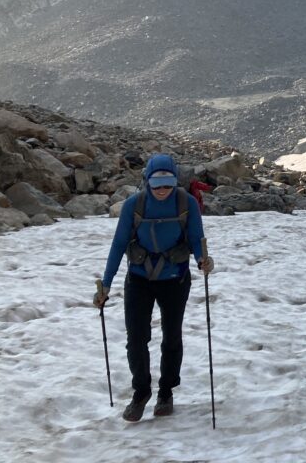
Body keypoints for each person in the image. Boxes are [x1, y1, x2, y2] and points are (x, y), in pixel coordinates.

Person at [92, 153, 214, 422]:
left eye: (168, 184)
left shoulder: (187, 203)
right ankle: (141, 392)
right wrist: (106, 284)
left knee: (172, 337)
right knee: (136, 338)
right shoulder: (134, 205)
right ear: (146, 181)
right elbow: (118, 244)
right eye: (156, 185)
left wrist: (203, 260)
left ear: (175, 182)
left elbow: (196, 239)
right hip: (139, 279)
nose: (162, 190)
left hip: (176, 279)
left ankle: (166, 392)